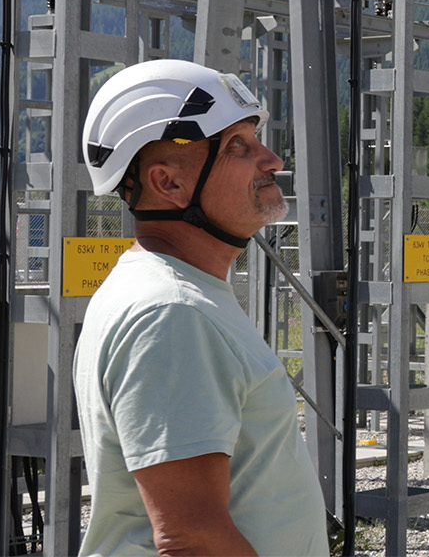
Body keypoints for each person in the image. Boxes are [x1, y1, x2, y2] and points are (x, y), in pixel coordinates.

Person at [73, 59, 326, 556]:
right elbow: (192, 539)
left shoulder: (182, 295)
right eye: (239, 146)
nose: (271, 159)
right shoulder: (170, 312)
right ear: (168, 184)